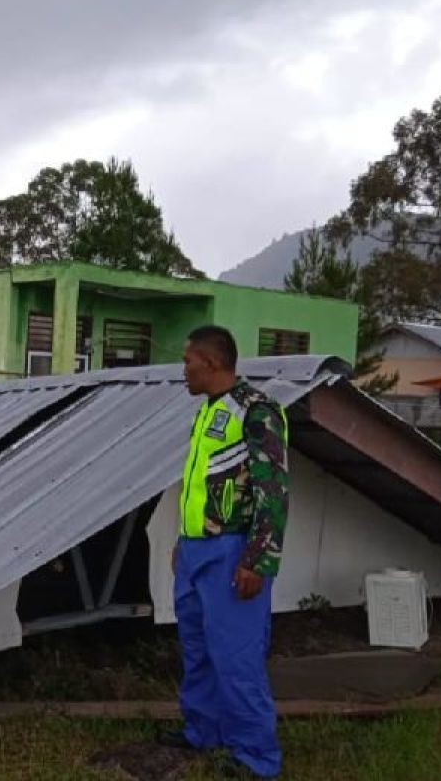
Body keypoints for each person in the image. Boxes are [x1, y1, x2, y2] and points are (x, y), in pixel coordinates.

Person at [160, 325, 289, 779]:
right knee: (197, 648)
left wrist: (258, 559)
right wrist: (183, 539)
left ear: (211, 363)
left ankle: (256, 758)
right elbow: (203, 486)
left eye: (188, 361)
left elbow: (273, 492)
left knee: (236, 656)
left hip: (233, 552)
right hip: (197, 551)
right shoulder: (208, 410)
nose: (184, 370)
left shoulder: (257, 411)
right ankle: (203, 731)